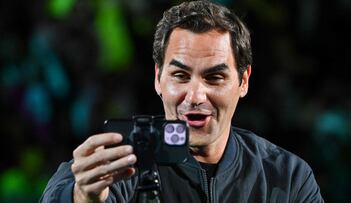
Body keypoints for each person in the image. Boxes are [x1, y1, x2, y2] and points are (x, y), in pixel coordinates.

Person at [40, 1, 324, 202]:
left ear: (244, 81)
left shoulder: (288, 177)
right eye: (180, 75)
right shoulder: (114, 168)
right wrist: (82, 198)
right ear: (158, 79)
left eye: (214, 78)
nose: (196, 96)